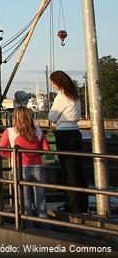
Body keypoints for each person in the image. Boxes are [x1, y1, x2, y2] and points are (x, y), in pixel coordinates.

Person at [0, 106, 50, 219]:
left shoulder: (10, 132)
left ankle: (29, 227)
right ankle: (44, 227)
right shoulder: (38, 130)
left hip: (19, 168)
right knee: (41, 201)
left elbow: (1, 149)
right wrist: (35, 154)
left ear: (15, 118)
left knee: (24, 201)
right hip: (37, 167)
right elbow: (46, 149)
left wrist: (10, 156)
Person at [48, 70, 88, 213]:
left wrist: (55, 118)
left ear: (58, 82)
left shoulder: (61, 97)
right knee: (78, 168)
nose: (52, 85)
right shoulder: (74, 96)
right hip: (76, 132)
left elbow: (52, 117)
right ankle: (82, 203)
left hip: (64, 134)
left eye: (52, 82)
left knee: (68, 169)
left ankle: (72, 204)